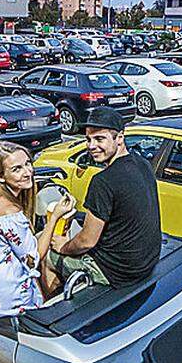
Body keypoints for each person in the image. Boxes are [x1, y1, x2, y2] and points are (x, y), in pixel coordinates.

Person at [0, 142, 75, 317]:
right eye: (17, 169)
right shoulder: (10, 214)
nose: (27, 172)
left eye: (28, 163)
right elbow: (33, 259)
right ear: (1, 176)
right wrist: (55, 217)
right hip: (5, 303)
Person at [51, 107, 161, 286]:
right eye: (88, 139)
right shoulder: (142, 164)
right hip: (145, 264)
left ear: (119, 138)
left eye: (99, 139)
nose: (91, 146)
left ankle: (54, 310)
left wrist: (63, 246)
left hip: (116, 272)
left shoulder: (103, 181)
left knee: (49, 257)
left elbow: (86, 241)